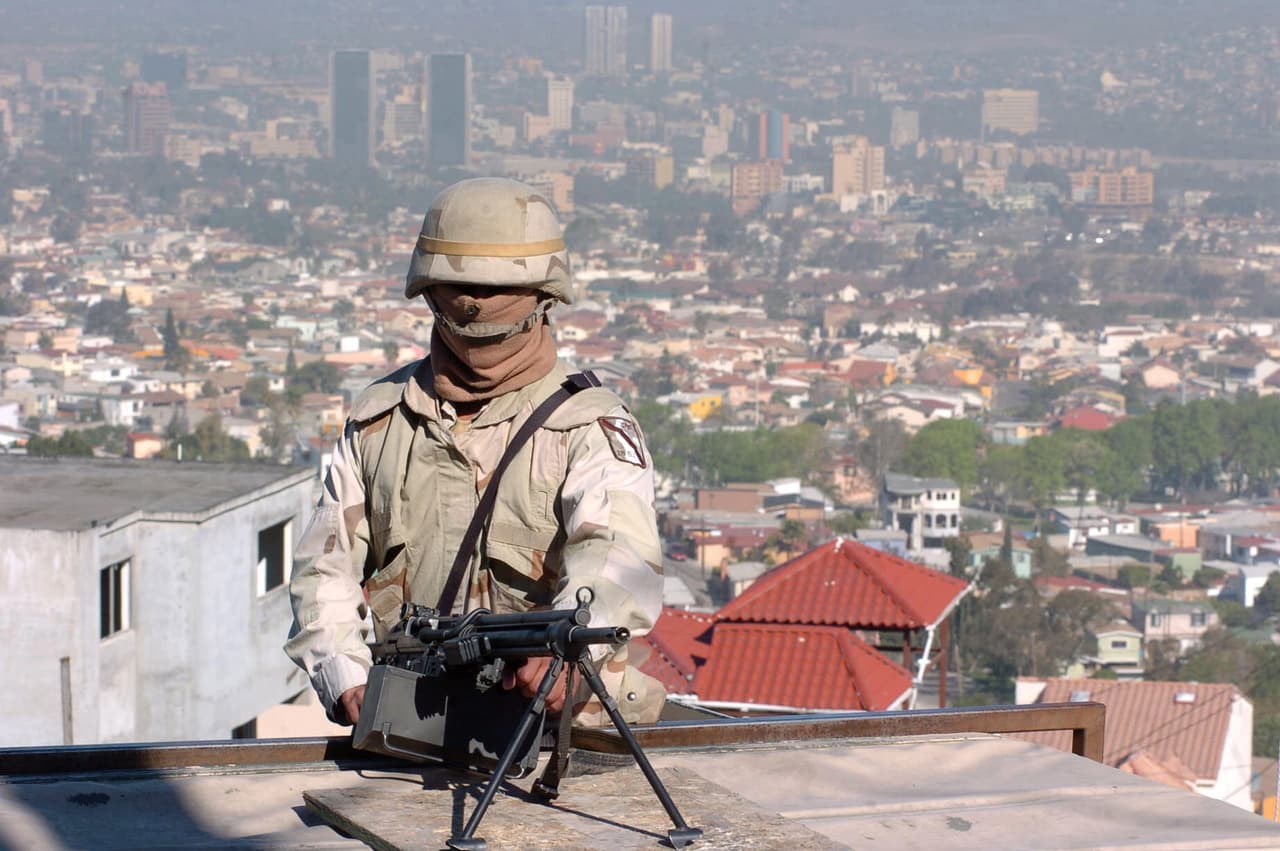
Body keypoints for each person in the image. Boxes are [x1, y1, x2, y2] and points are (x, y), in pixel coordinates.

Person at [285, 177, 666, 729]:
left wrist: (570, 648)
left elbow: (618, 558)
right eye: (461, 287)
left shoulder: (587, 428)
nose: (476, 304)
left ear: (544, 297)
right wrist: (346, 677)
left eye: (498, 288)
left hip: (556, 728)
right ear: (430, 292)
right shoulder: (379, 422)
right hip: (414, 726)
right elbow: (324, 567)